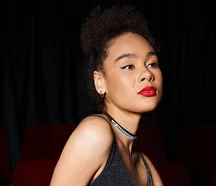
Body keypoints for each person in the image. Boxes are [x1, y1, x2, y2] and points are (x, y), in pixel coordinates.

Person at [50, 4, 164, 186]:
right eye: (129, 66)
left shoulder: (145, 165)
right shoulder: (95, 132)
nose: (147, 74)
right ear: (100, 82)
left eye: (152, 63)